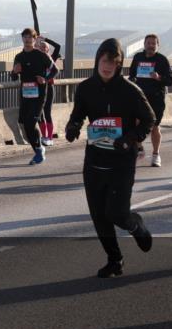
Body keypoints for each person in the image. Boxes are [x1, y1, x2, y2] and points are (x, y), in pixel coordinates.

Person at [65, 38, 155, 278]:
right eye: (104, 61)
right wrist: (72, 127)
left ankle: (135, 224)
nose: (107, 67)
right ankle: (115, 260)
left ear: (119, 65)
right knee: (98, 215)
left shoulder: (130, 91)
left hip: (121, 162)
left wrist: (130, 138)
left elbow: (149, 119)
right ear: (98, 61)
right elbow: (77, 115)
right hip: (94, 160)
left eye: (113, 63)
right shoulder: (85, 88)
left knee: (116, 213)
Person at [12, 28, 57, 164]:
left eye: (30, 37)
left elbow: (55, 70)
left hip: (39, 96)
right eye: (25, 37)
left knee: (31, 123)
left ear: (34, 39)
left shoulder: (41, 55)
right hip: (25, 95)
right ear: (22, 39)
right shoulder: (19, 57)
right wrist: (14, 72)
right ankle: (38, 148)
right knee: (25, 124)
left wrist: (45, 78)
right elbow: (14, 77)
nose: (27, 39)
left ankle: (38, 151)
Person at [128, 34, 172, 167]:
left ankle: (156, 154)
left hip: (156, 98)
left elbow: (170, 80)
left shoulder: (162, 60)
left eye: (153, 43)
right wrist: (133, 80)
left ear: (158, 45)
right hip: (140, 97)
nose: (151, 45)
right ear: (144, 44)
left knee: (154, 127)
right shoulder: (138, 57)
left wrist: (159, 77)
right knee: (135, 123)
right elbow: (131, 75)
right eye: (148, 43)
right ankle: (140, 147)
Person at [34, 35, 62, 146]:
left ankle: (50, 137)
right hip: (38, 88)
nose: (43, 48)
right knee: (39, 113)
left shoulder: (51, 58)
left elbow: (58, 46)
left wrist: (45, 39)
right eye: (41, 47)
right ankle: (44, 136)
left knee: (47, 112)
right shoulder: (38, 58)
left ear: (48, 49)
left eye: (45, 47)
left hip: (49, 88)